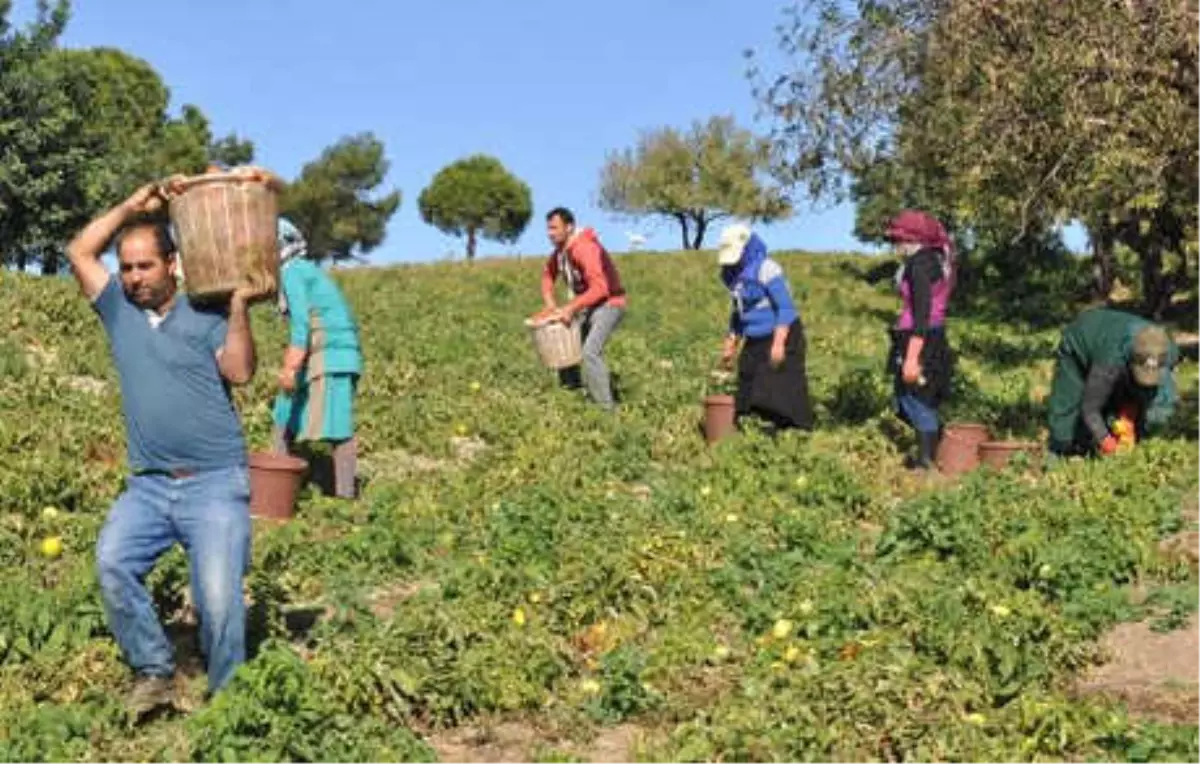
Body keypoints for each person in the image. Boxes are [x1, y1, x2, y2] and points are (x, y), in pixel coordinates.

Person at [65, 181, 267, 717]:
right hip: (148, 485)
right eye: (127, 268)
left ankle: (229, 704)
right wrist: (134, 205)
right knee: (112, 562)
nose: (132, 278)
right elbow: (79, 251)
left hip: (215, 482)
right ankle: (154, 670)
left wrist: (241, 307)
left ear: (173, 264)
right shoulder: (116, 312)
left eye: (144, 266)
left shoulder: (209, 313)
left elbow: (241, 372)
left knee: (220, 600)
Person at [270, 217, 364, 498]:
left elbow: (302, 323)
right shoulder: (294, 271)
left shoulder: (294, 271)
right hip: (318, 352)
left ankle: (346, 499)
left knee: (337, 427)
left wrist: (290, 367)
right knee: (284, 412)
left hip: (332, 354)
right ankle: (275, 487)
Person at [717, 223, 814, 433]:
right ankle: (747, 431)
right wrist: (730, 343)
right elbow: (739, 312)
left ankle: (794, 432)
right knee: (747, 378)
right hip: (756, 336)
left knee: (775, 385)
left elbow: (786, 308)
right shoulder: (732, 275)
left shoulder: (766, 268)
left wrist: (779, 344)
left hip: (783, 331)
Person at [1047, 307, 1179, 457]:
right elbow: (1090, 408)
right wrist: (1106, 441)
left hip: (1114, 345)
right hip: (1082, 338)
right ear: (1131, 359)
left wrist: (1131, 418)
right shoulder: (1110, 358)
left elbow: (1157, 396)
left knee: (1144, 399)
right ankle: (1060, 449)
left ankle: (1131, 434)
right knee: (1069, 401)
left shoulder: (1166, 350)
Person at [883, 210, 957, 470]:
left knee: (915, 399)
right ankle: (933, 448)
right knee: (910, 398)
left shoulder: (918, 265)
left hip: (918, 337)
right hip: (934, 335)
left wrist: (913, 357)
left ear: (911, 239)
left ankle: (926, 462)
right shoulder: (939, 259)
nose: (895, 246)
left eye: (897, 240)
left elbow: (922, 313)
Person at [534, 207, 627, 411]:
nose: (550, 233)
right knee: (566, 348)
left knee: (590, 352)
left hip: (610, 304)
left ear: (569, 227)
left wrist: (570, 308)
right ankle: (571, 397)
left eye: (554, 228)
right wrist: (551, 305)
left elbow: (601, 287)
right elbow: (547, 276)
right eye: (548, 228)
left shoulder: (584, 248)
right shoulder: (560, 253)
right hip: (589, 306)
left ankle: (607, 411)